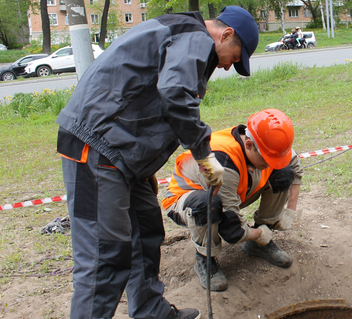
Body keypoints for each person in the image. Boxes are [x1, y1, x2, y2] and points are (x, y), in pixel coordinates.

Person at [56, 6, 259, 319]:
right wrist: (204, 156)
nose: (231, 66)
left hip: (122, 155)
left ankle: (151, 311)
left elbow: (152, 93)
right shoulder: (195, 37)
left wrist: (142, 166)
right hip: (96, 147)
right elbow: (175, 93)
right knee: (105, 256)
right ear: (226, 34)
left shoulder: (180, 31)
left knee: (147, 231)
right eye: (235, 56)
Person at [162, 108, 304, 292]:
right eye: (267, 159)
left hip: (232, 193)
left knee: (283, 173)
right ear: (249, 144)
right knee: (209, 205)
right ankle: (205, 258)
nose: (271, 164)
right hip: (186, 199)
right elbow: (232, 229)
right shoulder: (225, 162)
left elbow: (295, 169)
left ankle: (257, 244)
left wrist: (290, 210)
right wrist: (259, 234)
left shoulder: (270, 143)